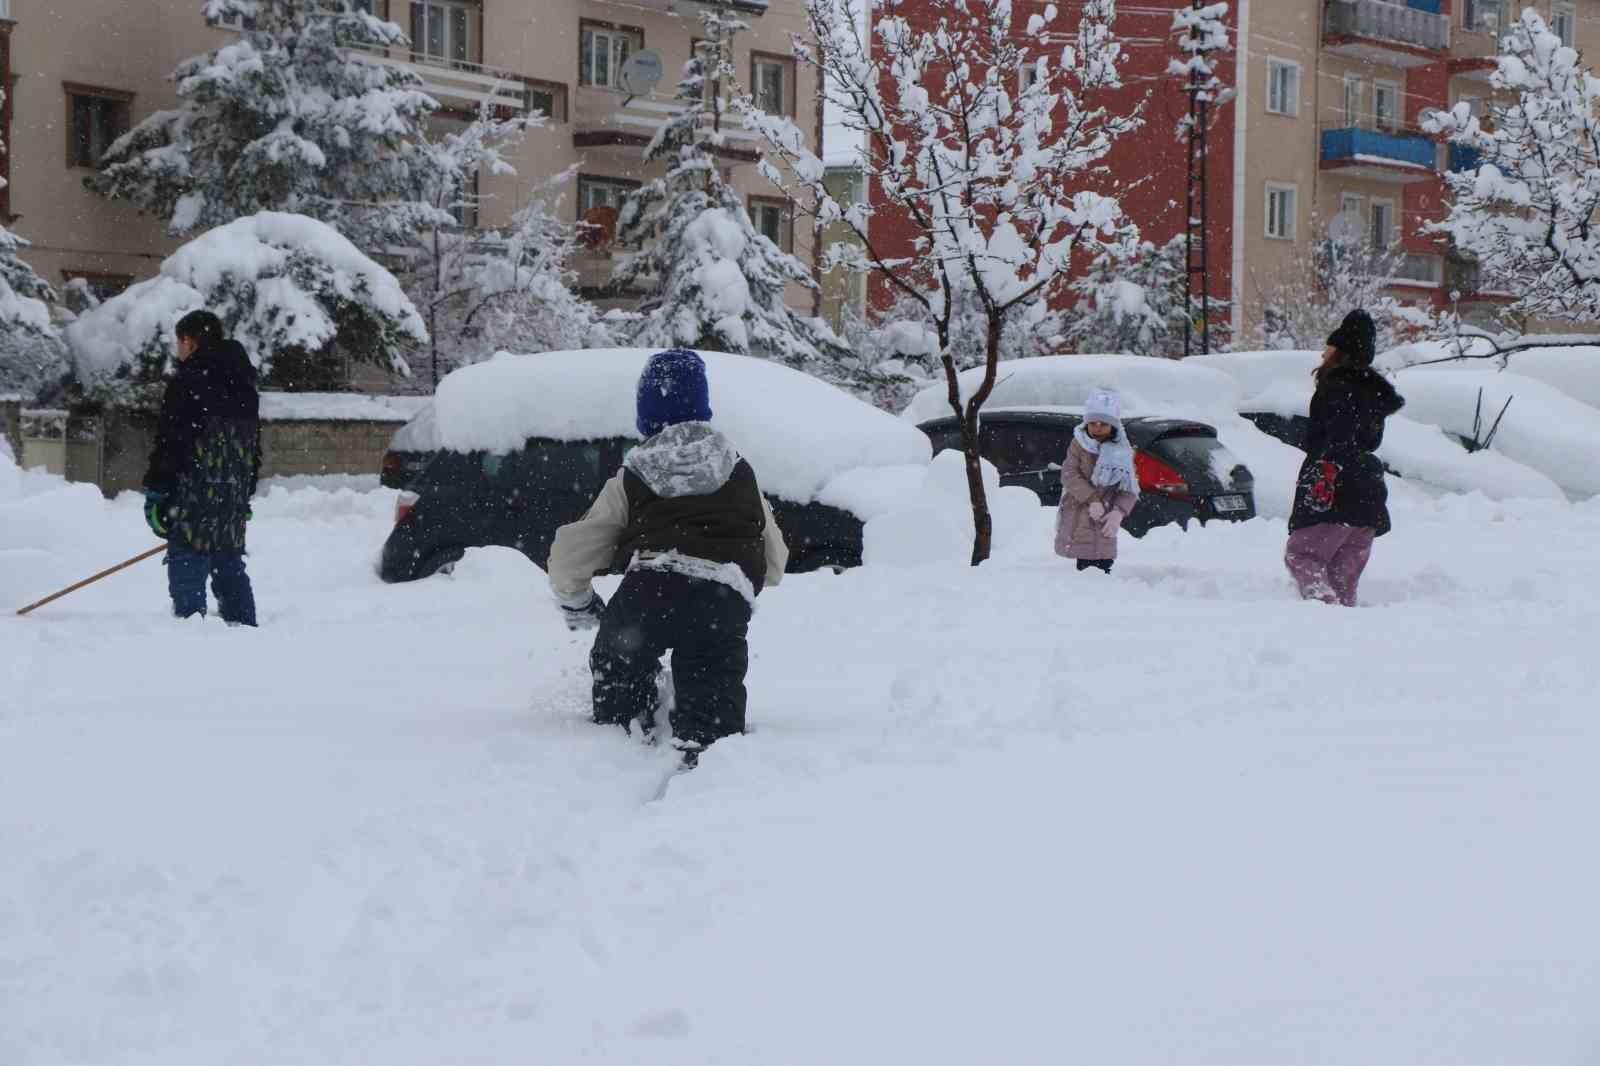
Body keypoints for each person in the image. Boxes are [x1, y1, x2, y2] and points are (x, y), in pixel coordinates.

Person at [546, 348, 789, 765]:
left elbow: (572, 553)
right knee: (713, 708)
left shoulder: (633, 474)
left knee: (619, 670)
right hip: (721, 601)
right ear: (703, 409)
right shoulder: (739, 470)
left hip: (650, 593)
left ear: (645, 416)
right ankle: (705, 763)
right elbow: (776, 562)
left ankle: (619, 748)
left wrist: (578, 600)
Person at [142, 310, 262, 625]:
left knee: (188, 563)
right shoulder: (244, 384)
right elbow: (253, 447)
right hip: (230, 495)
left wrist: (157, 492)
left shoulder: (187, 382)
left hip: (192, 494)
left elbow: (171, 443)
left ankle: (191, 631)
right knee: (228, 563)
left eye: (179, 342)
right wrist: (244, 494)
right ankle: (245, 629)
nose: (178, 350)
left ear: (189, 341)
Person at [1284, 309, 1405, 607]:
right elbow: (1369, 440)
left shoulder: (1337, 387)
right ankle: (1345, 625)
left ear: (1340, 349)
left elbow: (1339, 435)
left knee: (1302, 556)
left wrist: (1326, 469)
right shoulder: (1373, 393)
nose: (1323, 352)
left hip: (1337, 487)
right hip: (1368, 494)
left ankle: (1324, 608)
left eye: (1329, 346)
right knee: (1343, 582)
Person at [1055, 388, 1141, 574]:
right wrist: (1092, 498)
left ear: (1113, 426)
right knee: (1084, 564)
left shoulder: (1122, 451)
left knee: (1103, 565)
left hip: (1105, 517)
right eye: (1093, 423)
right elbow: (1069, 474)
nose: (1097, 428)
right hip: (1079, 512)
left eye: (1104, 424)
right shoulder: (1078, 444)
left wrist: (1118, 512)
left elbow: (1129, 487)